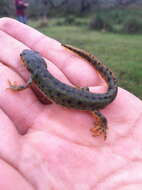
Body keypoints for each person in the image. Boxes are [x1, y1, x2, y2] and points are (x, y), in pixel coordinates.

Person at [0, 17, 142, 189]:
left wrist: (15, 88)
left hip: (88, 101)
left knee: (95, 111)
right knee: (88, 100)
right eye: (24, 56)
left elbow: (24, 86)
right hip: (83, 96)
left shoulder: (35, 76)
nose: (22, 57)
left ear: (28, 65)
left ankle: (102, 124)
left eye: (24, 57)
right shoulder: (40, 73)